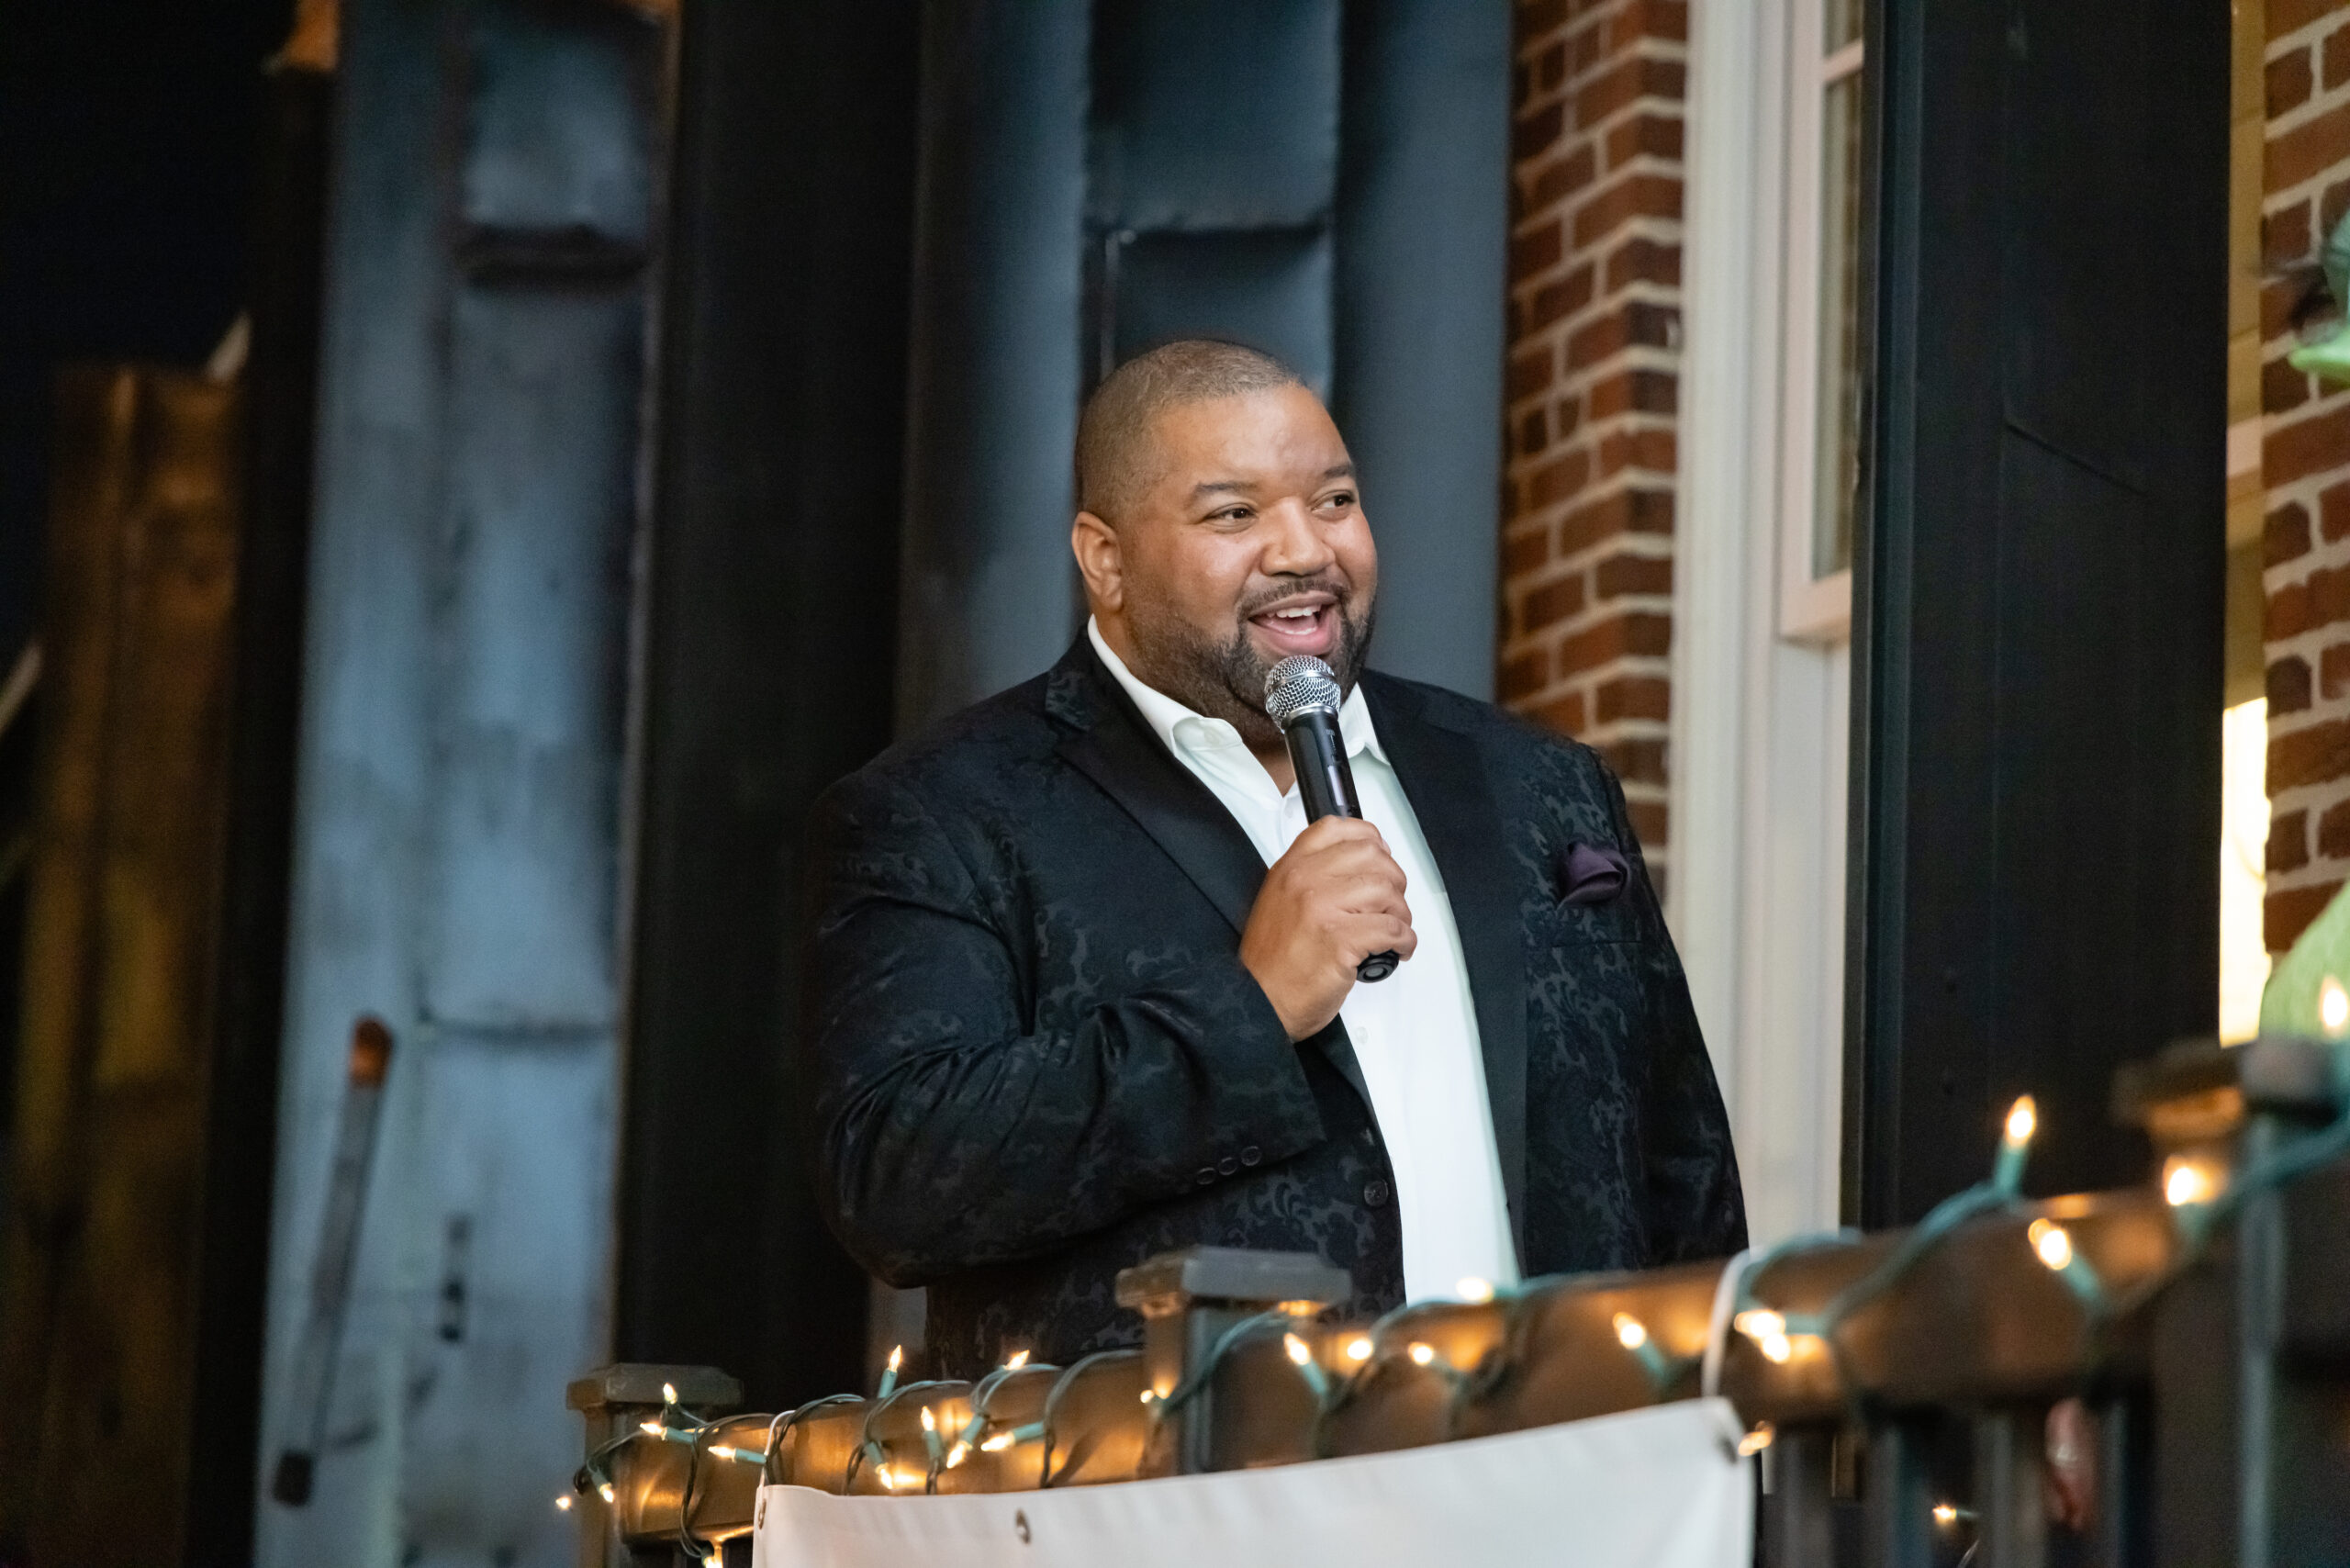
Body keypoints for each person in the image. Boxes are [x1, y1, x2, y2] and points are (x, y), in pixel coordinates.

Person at [802, 340, 1743, 1376]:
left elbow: (1683, 1170)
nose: (1304, 550)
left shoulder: (1541, 784)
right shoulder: (951, 810)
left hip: (1563, 1454)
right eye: (1233, 514)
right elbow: (895, 1179)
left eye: (1334, 500)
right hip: (1199, 1468)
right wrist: (1248, 1012)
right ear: (1105, 560)